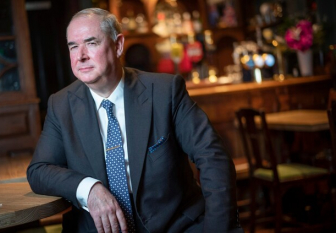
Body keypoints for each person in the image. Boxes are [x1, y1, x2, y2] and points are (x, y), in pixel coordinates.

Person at [27, 8, 243, 233]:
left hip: (175, 226)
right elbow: (39, 171)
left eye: (91, 43)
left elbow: (213, 157)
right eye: (73, 46)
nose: (80, 55)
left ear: (118, 45)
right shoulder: (60, 105)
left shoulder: (164, 92)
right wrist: (89, 188)